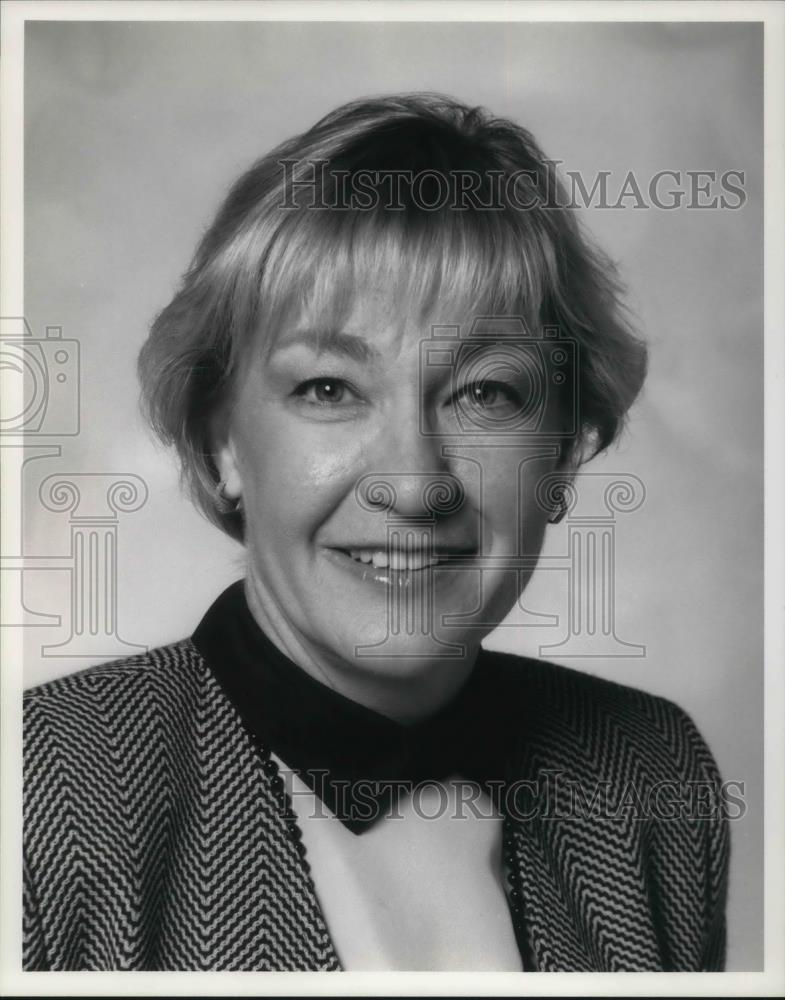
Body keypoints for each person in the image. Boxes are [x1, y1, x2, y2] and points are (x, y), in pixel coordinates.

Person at [22, 93, 729, 972]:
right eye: (328, 389)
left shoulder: (650, 772)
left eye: (485, 393)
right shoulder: (39, 786)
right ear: (220, 440)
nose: (415, 483)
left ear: (560, 454)